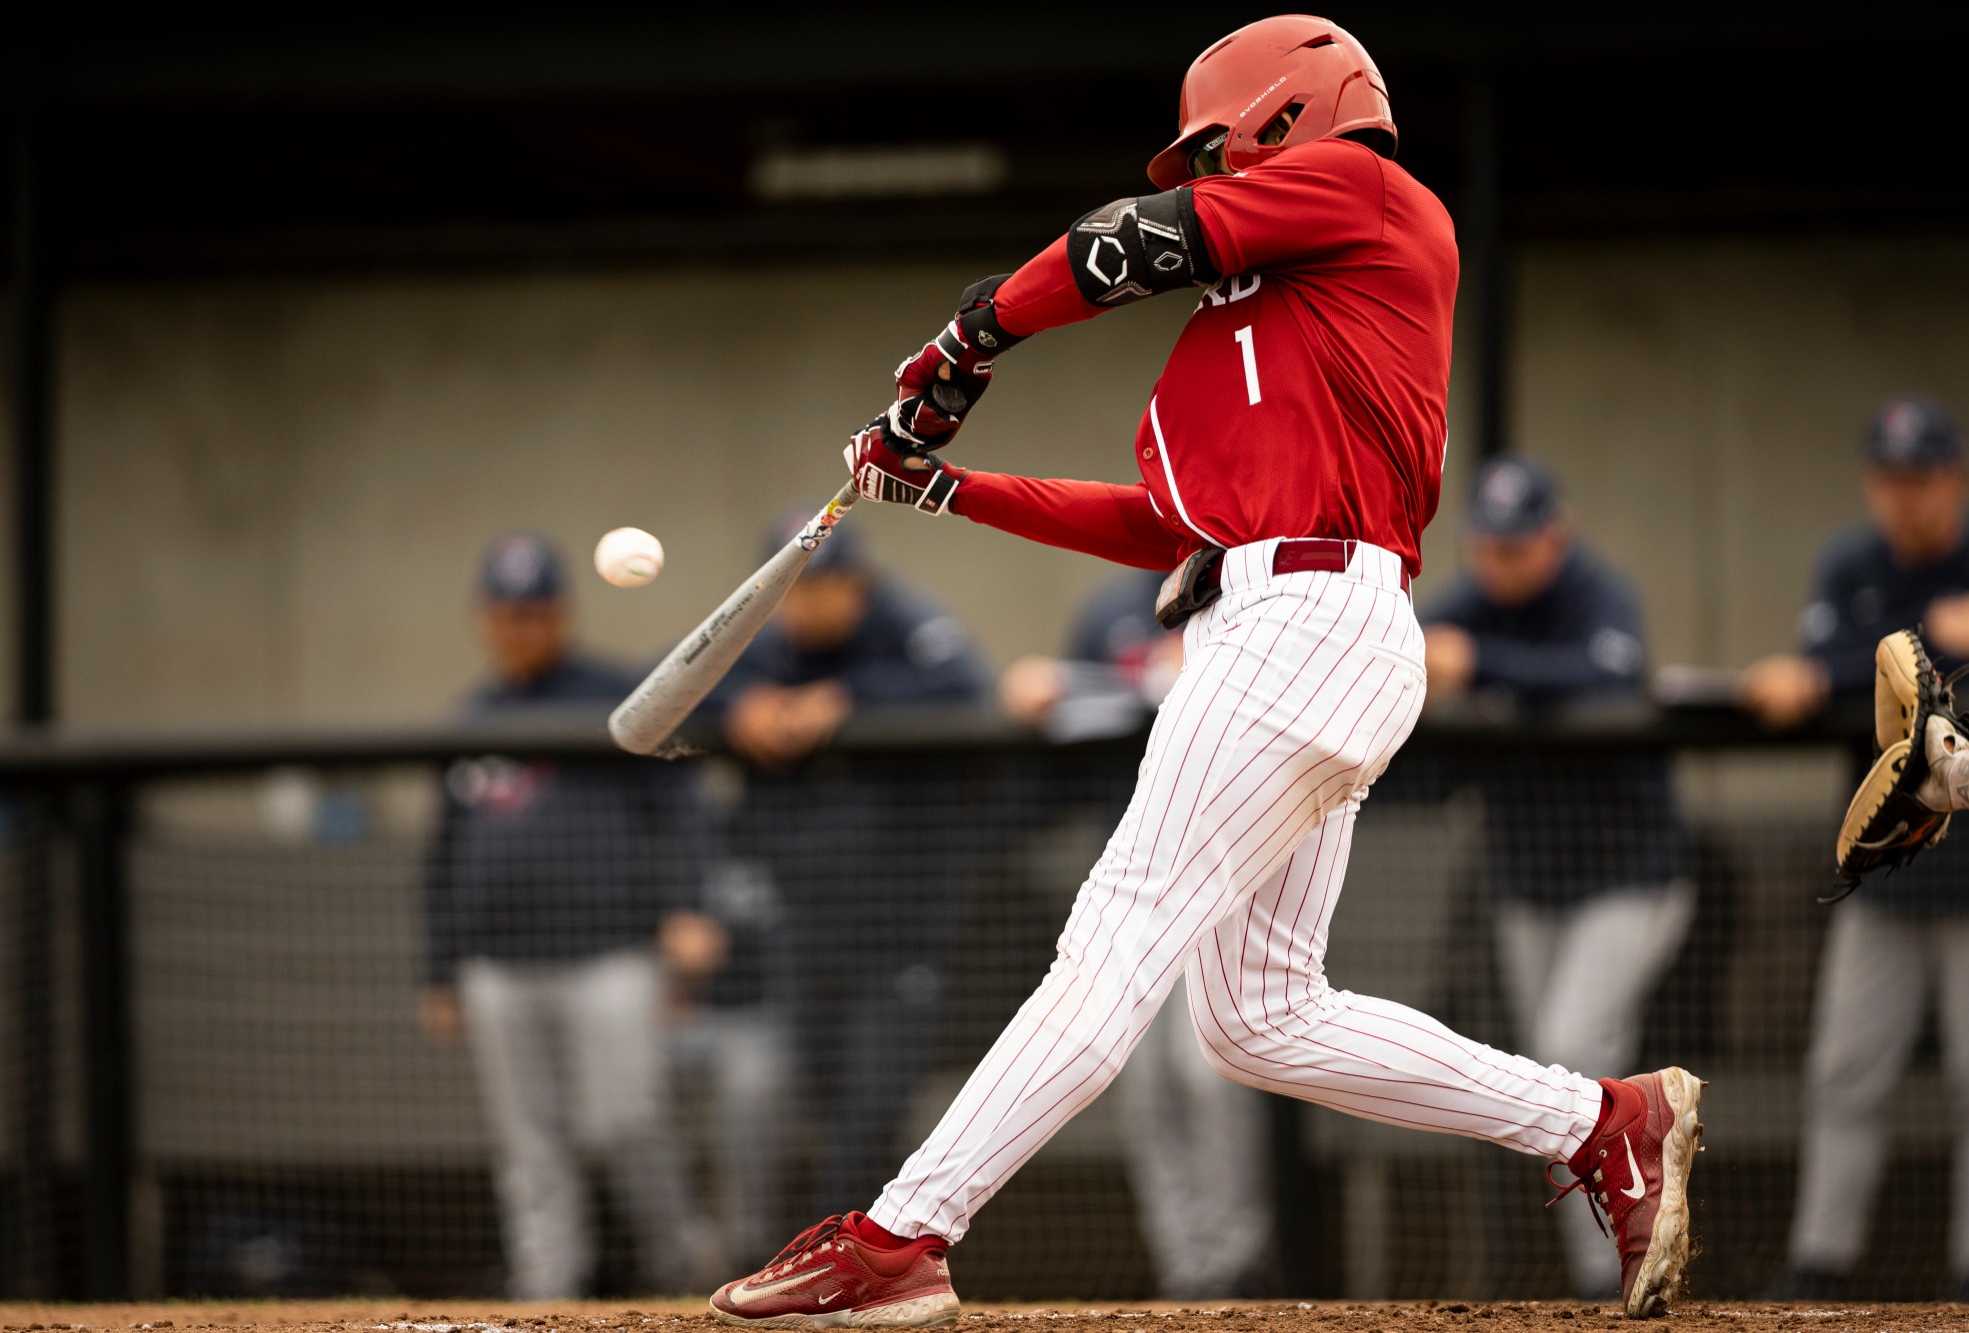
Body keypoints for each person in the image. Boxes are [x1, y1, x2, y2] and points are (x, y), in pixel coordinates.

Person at [710, 17, 1703, 1327]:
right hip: (1287, 615)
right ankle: (1604, 1121)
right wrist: (943, 485)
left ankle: (903, 1232)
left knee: (1115, 932)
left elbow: (1126, 244)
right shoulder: (1282, 322)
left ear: (1286, 114)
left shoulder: (1367, 189)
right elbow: (1166, 528)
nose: (1205, 175)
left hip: (1305, 618)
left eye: (1216, 146)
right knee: (1260, 1016)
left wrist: (967, 342)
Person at [422, 533, 724, 1297]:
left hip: (609, 953)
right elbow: (443, 854)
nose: (521, 626)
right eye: (507, 612)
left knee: (626, 1121)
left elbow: (682, 805)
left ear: (562, 613)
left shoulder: (615, 692)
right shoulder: (473, 715)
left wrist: (690, 904)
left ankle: (683, 1266)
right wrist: (439, 969)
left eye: (535, 611)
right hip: (497, 963)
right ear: (485, 618)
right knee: (529, 1143)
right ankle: (547, 1292)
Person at [1421, 457, 1694, 1300]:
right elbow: (1410, 646)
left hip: (1630, 876)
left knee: (1576, 1045)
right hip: (1527, 881)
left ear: (1555, 535)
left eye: (1518, 545)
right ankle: (1605, 1268)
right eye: (1487, 547)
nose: (1500, 562)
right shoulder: (1465, 605)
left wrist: (1480, 666)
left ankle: (1606, 1269)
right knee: (1555, 1065)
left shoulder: (1596, 591)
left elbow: (1608, 672)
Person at [1740, 396, 1969, 1301]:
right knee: (1844, 1069)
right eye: (1889, 477)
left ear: (1952, 477)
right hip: (1887, 863)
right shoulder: (1851, 561)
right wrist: (1931, 639)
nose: (1904, 495)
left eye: (1921, 477)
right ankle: (1818, 1264)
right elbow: (1824, 662)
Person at [1004, 570, 1275, 1299]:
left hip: (1223, 865)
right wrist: (1046, 694)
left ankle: (1238, 1261)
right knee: (1144, 1084)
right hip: (1132, 873)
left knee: (1207, 1071)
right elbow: (1065, 738)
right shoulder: (1111, 606)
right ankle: (1187, 1266)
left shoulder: (1252, 583)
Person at [711, 514, 988, 1225]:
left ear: (855, 584)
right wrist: (737, 707)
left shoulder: (903, 622)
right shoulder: (763, 649)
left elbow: (967, 684)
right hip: (808, 922)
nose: (802, 604)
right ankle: (847, 1248)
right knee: (823, 1091)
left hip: (903, 926)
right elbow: (675, 682)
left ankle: (838, 1249)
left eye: (818, 585)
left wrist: (849, 698)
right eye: (789, 589)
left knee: (874, 1103)